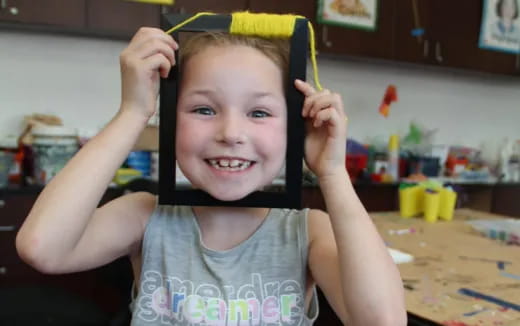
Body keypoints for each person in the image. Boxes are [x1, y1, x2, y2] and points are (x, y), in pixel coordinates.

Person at [16, 23, 406, 325]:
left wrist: (333, 173)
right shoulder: (144, 216)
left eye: (259, 113)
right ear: (169, 118)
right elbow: (41, 247)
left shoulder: (308, 232)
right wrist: (132, 113)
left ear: (294, 128)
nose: (231, 134)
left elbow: (382, 320)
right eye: (204, 109)